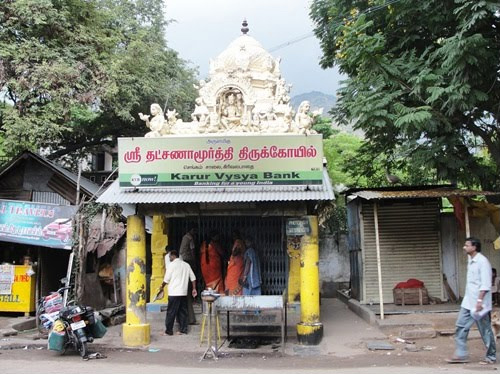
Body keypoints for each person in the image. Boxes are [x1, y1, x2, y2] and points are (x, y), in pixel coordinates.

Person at [447, 237, 496, 365]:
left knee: (485, 331)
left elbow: (485, 284)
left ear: (474, 247)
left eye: (466, 245)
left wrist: (480, 301)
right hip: (468, 302)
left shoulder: (482, 262)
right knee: (460, 326)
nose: (464, 247)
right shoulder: (471, 260)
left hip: (480, 304)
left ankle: (491, 356)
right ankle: (461, 354)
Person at [159, 250, 197, 336]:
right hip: (183, 293)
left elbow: (166, 279)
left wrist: (161, 287)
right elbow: (193, 278)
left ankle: (168, 331)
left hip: (174, 293)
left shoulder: (171, 265)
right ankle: (183, 330)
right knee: (182, 311)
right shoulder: (186, 265)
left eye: (170, 257)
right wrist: (194, 289)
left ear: (173, 256)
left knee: (171, 312)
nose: (169, 258)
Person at [179, 226, 198, 324]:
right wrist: (194, 262)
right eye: (195, 230)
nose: (195, 232)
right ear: (192, 230)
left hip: (183, 259)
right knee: (190, 280)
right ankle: (193, 297)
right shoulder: (190, 238)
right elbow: (192, 250)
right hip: (188, 260)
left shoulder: (184, 237)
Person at [224, 230, 245, 296]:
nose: (233, 237)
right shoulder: (238, 242)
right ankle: (233, 294)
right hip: (235, 264)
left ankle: (235, 295)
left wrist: (233, 254)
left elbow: (235, 252)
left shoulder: (238, 242)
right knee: (230, 279)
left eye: (234, 235)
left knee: (233, 279)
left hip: (237, 265)